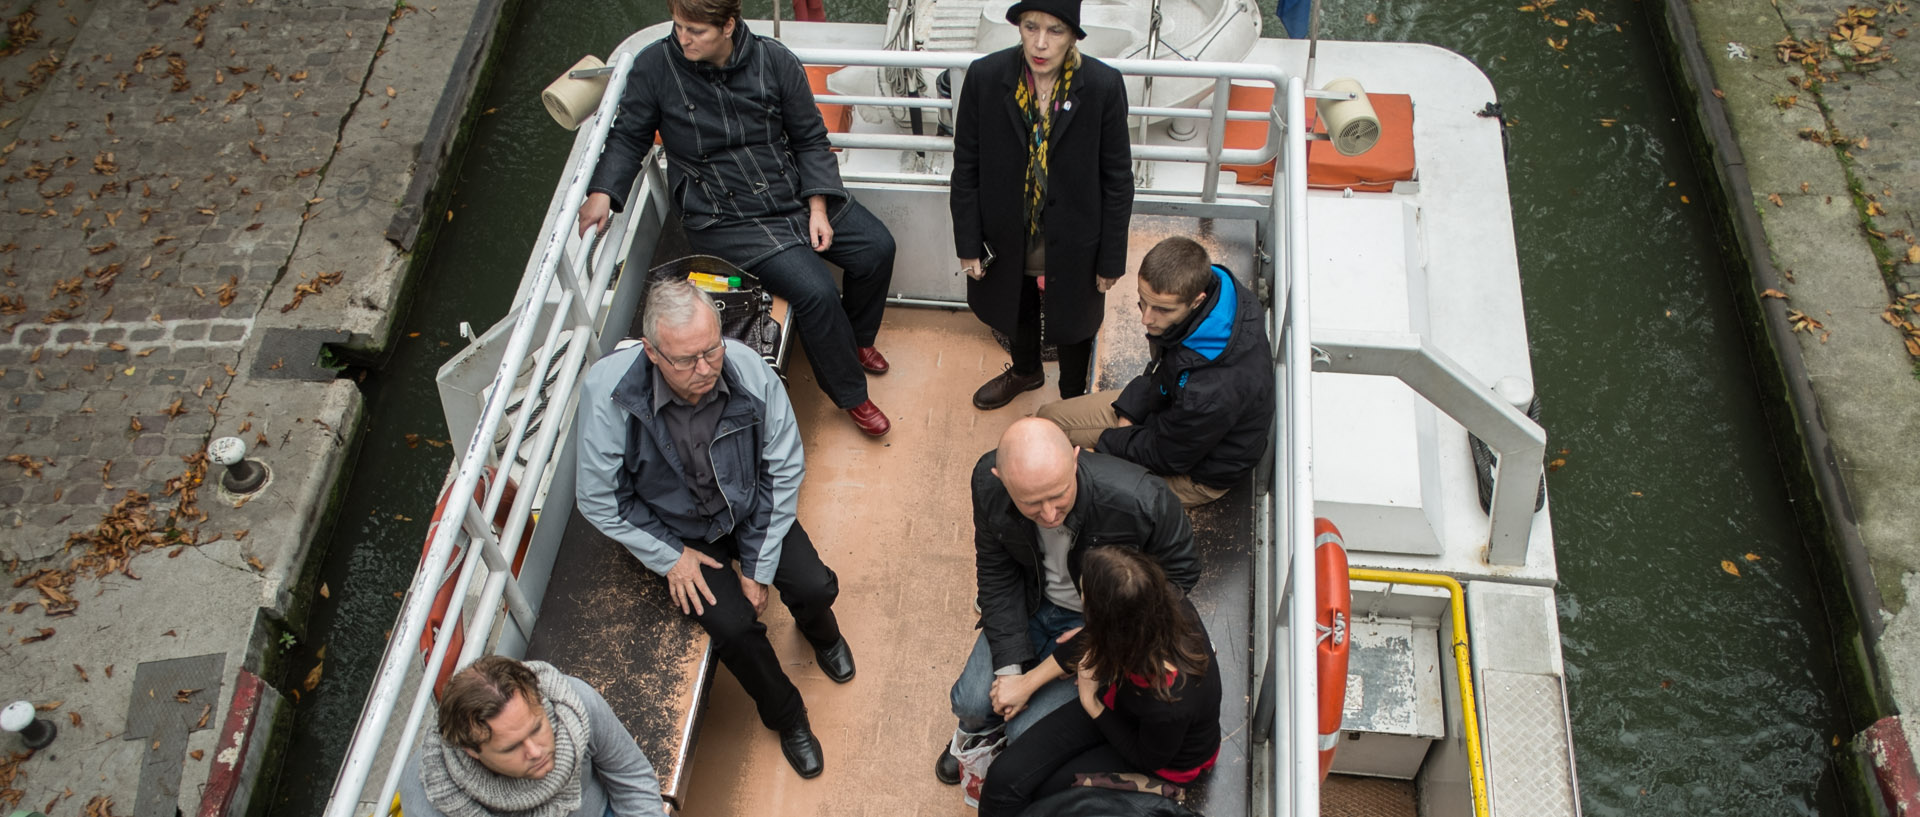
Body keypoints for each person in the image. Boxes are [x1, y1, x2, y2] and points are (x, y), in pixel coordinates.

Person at [573, 279, 855, 778]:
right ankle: (787, 716)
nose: (704, 369)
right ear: (651, 352)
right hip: (680, 535)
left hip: (747, 508)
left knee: (812, 584)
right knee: (732, 628)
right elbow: (599, 498)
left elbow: (783, 465)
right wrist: (670, 557)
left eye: (711, 350)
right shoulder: (609, 393)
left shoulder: (746, 368)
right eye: (686, 360)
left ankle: (822, 632)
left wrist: (757, 567)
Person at [580, 0, 896, 437]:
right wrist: (602, 193)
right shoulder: (656, 67)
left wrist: (819, 208)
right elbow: (629, 135)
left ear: (728, 25)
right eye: (677, 26)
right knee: (817, 292)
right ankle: (851, 395)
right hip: (723, 215)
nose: (682, 38)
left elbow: (808, 139)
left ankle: (858, 339)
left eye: (695, 30)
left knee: (877, 248)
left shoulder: (774, 60)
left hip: (790, 189)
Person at [937, 418, 1200, 784]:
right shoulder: (986, 482)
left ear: (1076, 460)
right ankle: (979, 732)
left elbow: (1181, 576)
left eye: (1058, 495)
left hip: (1100, 621)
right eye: (1031, 503)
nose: (1048, 515)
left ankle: (1002, 736)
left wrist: (1102, 634)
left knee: (1026, 732)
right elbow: (997, 574)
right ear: (1001, 478)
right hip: (1031, 604)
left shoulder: (1141, 498)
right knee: (969, 702)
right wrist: (1010, 670)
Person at [950, 0, 1134, 411]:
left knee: (1074, 323)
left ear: (1072, 36)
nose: (1040, 42)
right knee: (1016, 305)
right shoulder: (985, 77)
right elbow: (966, 166)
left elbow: (1118, 180)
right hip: (1007, 233)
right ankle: (1026, 370)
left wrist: (1110, 259)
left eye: (1055, 31)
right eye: (1031, 27)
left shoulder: (1103, 86)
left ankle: (1072, 399)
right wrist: (968, 242)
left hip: (1075, 239)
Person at [976, 547, 1221, 817]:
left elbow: (1146, 756)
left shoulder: (1168, 700)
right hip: (1118, 701)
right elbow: (1093, 636)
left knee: (1046, 795)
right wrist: (1028, 683)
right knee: (1003, 778)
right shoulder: (1153, 602)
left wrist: (1091, 703)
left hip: (1157, 755)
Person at [1036, 236, 1273, 506]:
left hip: (1198, 472)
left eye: (1161, 309)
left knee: (1074, 482)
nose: (1146, 319)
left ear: (1197, 300)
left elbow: (1169, 456)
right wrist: (1131, 407)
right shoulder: (1213, 297)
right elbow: (1165, 365)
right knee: (1046, 423)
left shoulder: (1211, 389)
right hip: (1169, 412)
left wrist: (1106, 446)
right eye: (1142, 302)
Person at [398, 655, 669, 817]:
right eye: (511, 748)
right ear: (471, 751)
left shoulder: (574, 704)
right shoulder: (428, 793)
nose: (536, 751)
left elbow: (630, 776)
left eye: (537, 728)